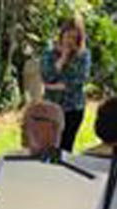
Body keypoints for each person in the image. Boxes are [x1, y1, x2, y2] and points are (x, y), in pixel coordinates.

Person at [0, 101, 64, 189]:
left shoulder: (70, 170)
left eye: (33, 119)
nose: (23, 126)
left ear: (54, 128)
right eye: (23, 121)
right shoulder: (11, 159)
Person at [41, 16, 91, 152]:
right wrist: (62, 58)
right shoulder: (50, 53)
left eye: (75, 38)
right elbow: (46, 76)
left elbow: (79, 80)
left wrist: (55, 86)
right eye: (68, 36)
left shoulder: (84, 55)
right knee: (48, 148)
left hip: (74, 108)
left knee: (66, 148)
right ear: (62, 34)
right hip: (51, 107)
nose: (70, 41)